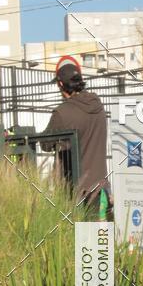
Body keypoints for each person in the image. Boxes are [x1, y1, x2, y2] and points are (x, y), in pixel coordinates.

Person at [40, 59, 111, 217]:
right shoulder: (98, 107)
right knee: (100, 241)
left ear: (60, 84)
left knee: (78, 241)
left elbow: (45, 144)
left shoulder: (62, 113)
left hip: (74, 194)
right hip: (101, 190)